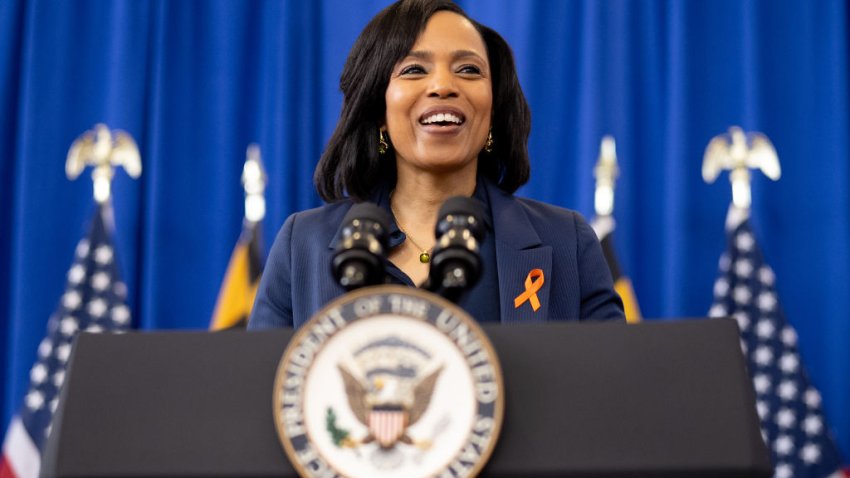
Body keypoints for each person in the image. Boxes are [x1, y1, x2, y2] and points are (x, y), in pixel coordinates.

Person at [248, 0, 624, 329]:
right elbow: (263, 395)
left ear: (493, 112)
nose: (443, 85)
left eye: (469, 70)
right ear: (379, 109)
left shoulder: (566, 243)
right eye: (414, 70)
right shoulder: (303, 245)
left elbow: (609, 392)